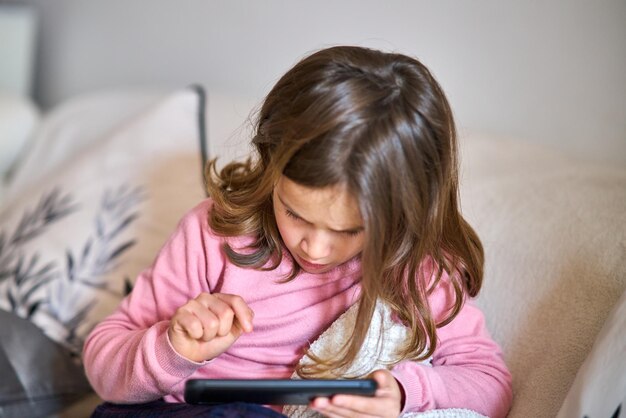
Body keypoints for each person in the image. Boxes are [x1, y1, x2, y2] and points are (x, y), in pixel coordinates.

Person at [83, 45, 513, 418]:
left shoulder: (418, 268)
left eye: (351, 230)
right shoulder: (214, 233)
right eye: (295, 213)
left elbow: (490, 385)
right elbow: (103, 366)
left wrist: (406, 393)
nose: (317, 247)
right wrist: (172, 348)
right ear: (270, 167)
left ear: (406, 211)